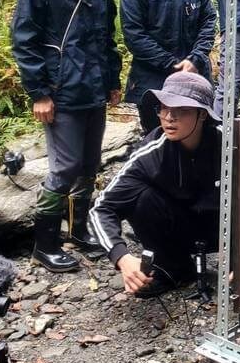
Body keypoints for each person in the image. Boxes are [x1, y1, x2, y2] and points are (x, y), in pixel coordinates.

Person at [11, 0, 122, 273]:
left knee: (89, 162)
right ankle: (44, 244)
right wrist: (39, 93)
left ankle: (78, 229)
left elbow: (105, 33)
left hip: (94, 84)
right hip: (60, 88)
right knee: (65, 166)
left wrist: (112, 80)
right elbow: (25, 39)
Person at [89, 72, 221, 298]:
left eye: (181, 110)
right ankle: (175, 268)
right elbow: (101, 209)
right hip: (181, 230)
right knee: (142, 198)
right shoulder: (150, 154)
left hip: (223, 230)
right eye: (163, 108)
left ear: (202, 114)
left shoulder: (231, 144)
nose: (169, 117)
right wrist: (122, 257)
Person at [120, 0, 217, 133]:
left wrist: (195, 58)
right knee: (159, 139)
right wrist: (173, 64)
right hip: (153, 81)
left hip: (196, 76)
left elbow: (208, 21)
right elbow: (135, 37)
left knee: (201, 135)